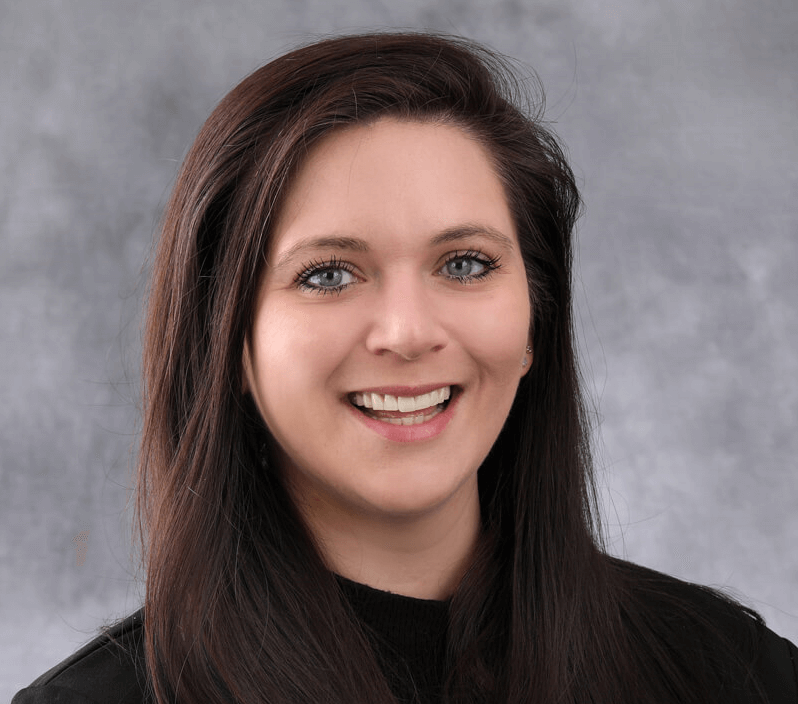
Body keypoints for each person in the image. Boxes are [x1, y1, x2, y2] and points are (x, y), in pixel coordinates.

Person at [13, 31, 797, 704]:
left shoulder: (726, 670)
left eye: (464, 263)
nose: (409, 332)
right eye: (327, 274)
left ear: (535, 322)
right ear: (232, 345)